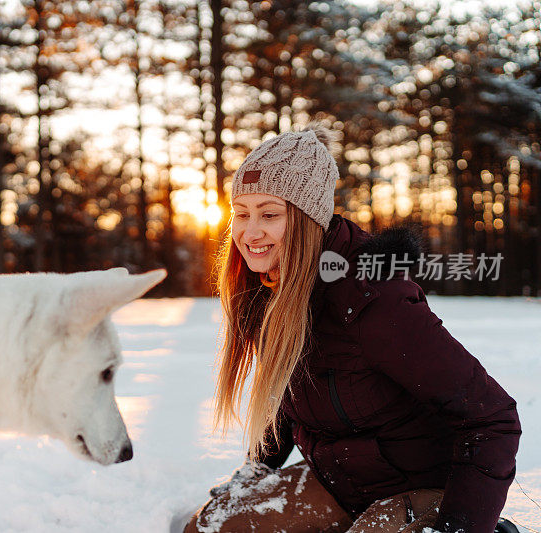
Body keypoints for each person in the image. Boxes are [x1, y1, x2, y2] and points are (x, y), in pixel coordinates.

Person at [184, 124, 521, 533]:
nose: (250, 232)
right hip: (344, 484)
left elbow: (494, 418)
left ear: (309, 219)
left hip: (426, 488)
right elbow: (287, 395)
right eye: (241, 214)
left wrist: (461, 526)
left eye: (269, 214)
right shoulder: (270, 288)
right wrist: (258, 470)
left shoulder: (375, 299)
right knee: (209, 527)